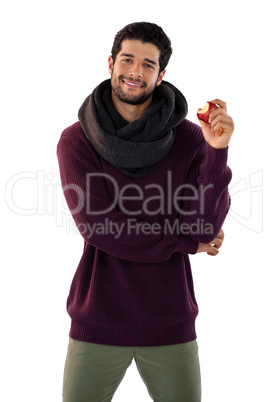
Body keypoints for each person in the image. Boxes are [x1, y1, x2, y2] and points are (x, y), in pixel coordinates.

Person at [57, 21, 234, 402]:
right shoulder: (77, 141)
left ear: (162, 74)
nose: (135, 72)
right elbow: (100, 228)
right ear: (110, 63)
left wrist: (217, 151)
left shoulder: (190, 137)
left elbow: (204, 225)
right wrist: (184, 239)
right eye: (128, 60)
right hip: (97, 321)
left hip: (170, 320)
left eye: (148, 65)